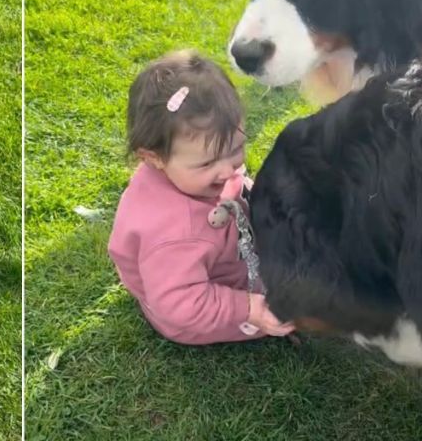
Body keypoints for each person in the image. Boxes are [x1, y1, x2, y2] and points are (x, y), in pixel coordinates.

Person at [107, 50, 295, 345]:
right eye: (207, 164)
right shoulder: (177, 235)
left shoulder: (180, 171)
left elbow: (226, 172)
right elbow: (181, 306)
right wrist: (250, 307)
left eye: (234, 150)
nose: (227, 170)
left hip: (183, 269)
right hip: (192, 314)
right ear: (154, 158)